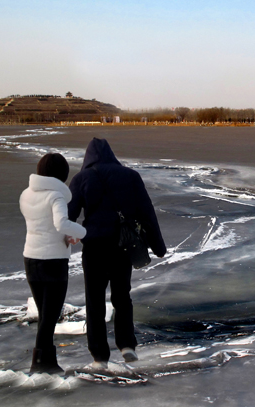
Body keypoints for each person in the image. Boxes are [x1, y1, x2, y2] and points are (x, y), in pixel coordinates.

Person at [68, 138, 166, 368]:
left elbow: (68, 214)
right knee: (122, 296)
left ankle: (99, 356)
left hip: (93, 248)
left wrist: (64, 238)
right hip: (124, 246)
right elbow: (146, 212)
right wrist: (158, 247)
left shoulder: (81, 178)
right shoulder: (130, 176)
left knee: (94, 301)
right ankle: (127, 346)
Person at [20, 153, 86, 374]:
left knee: (45, 315)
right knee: (49, 317)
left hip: (31, 259)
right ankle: (41, 363)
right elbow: (61, 223)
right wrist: (83, 232)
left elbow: (43, 225)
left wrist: (67, 236)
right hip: (53, 262)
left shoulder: (25, 195)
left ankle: (45, 362)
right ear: (62, 174)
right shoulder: (56, 196)